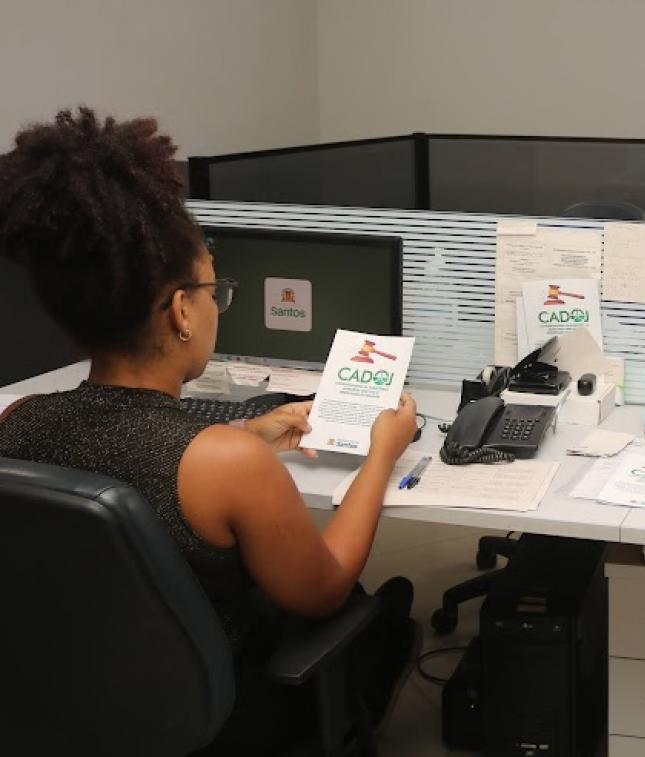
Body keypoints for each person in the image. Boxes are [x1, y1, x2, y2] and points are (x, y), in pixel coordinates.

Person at [0, 108, 420, 753]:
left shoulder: (17, 423)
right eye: (212, 290)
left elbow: (124, 456)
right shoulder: (221, 462)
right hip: (211, 718)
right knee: (379, 605)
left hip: (59, 701)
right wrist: (381, 457)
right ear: (180, 312)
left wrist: (249, 433)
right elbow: (322, 589)